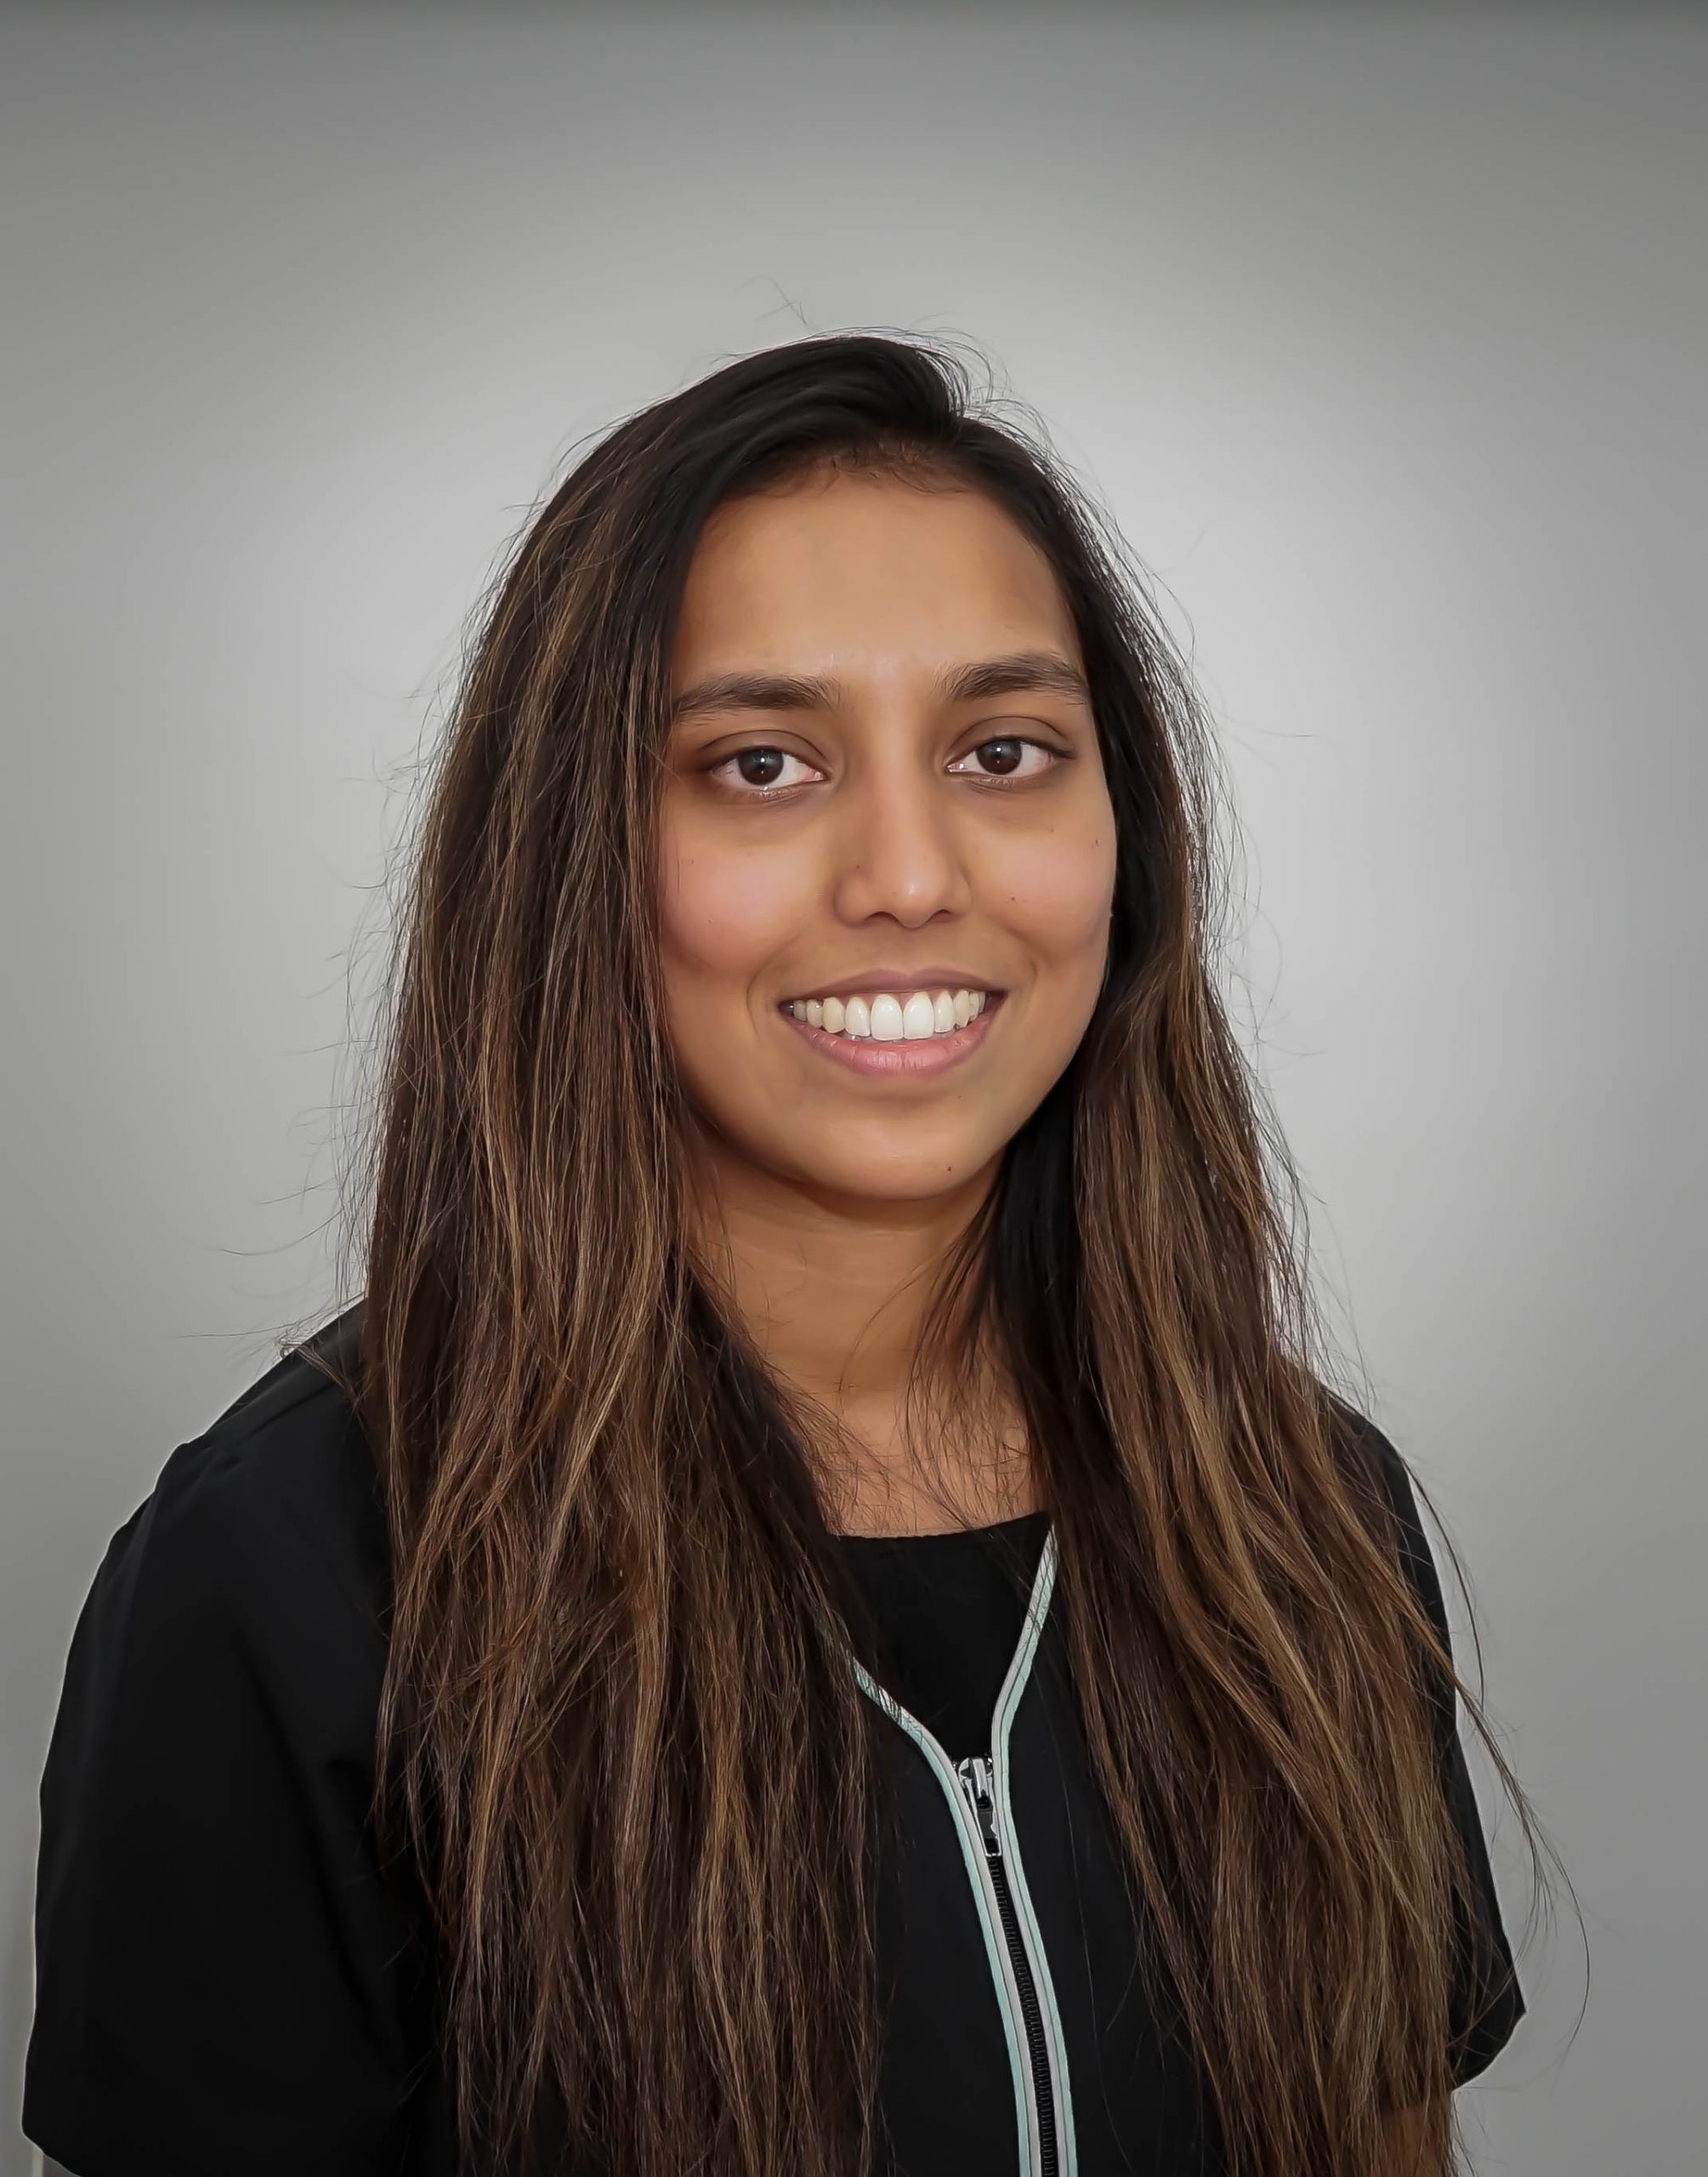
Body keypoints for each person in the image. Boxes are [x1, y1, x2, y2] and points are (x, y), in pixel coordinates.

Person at [23, 333, 1541, 2177]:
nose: (909, 873)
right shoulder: (288, 1574)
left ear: (1123, 839)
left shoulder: (1299, 1510)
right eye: (761, 763)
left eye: (1002, 752)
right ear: (577, 851)